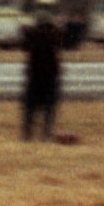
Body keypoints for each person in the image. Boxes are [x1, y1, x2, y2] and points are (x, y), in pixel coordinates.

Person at [20, 13, 64, 142]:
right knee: (49, 109)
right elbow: (61, 43)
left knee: (29, 109)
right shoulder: (55, 34)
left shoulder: (32, 35)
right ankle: (46, 134)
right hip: (50, 76)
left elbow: (24, 46)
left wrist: (25, 30)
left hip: (34, 76)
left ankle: (26, 135)